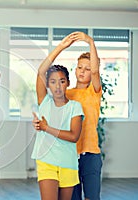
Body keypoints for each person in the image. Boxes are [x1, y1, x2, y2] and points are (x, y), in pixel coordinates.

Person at [32, 34, 84, 199]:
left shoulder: (75, 107)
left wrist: (47, 128)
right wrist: (61, 47)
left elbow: (74, 136)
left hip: (68, 163)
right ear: (48, 85)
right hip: (46, 160)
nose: (57, 86)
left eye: (61, 81)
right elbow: (41, 71)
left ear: (68, 83)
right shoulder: (44, 102)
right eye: (53, 82)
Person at [65, 33, 102, 200]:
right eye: (80, 67)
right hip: (69, 153)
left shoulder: (94, 92)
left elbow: (95, 71)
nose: (83, 71)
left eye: (87, 69)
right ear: (75, 69)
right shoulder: (66, 93)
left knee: (91, 197)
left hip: (91, 153)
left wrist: (90, 42)